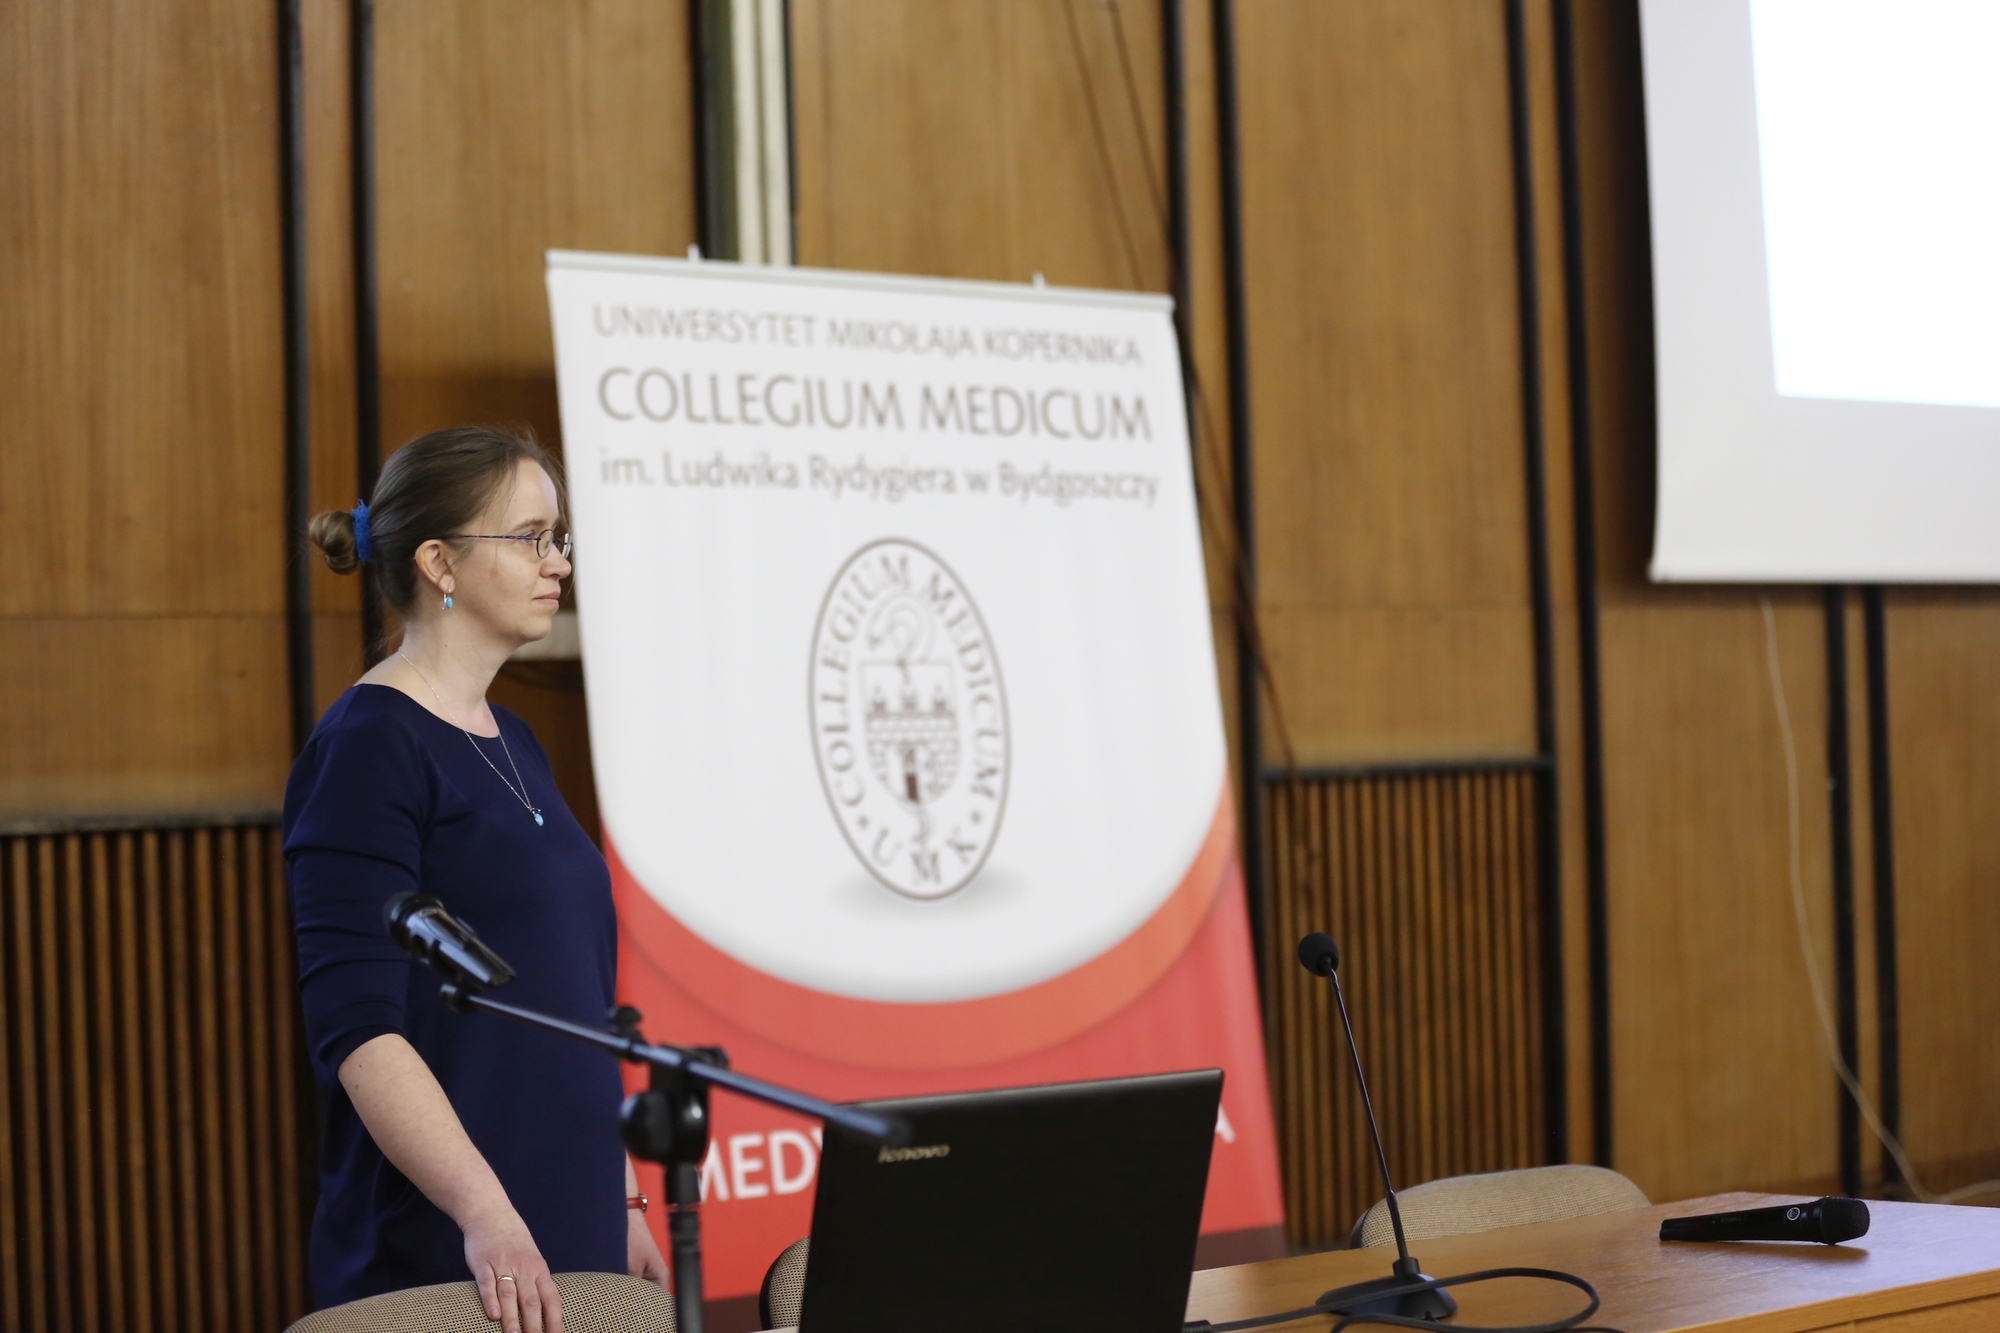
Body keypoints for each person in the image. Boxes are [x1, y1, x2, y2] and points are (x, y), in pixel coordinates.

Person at [287, 424, 666, 1333]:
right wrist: (486, 1212)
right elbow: (360, 1031)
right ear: (439, 563)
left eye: (558, 538)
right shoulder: (369, 747)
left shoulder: (517, 740)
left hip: (570, 1216)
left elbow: (571, 1001)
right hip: (457, 1244)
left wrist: (619, 1195)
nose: (558, 562)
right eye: (531, 538)